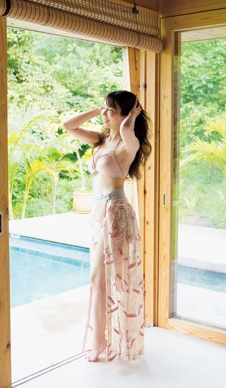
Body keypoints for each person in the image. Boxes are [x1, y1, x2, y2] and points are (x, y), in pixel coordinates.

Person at [63, 90, 152, 362]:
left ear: (126, 115)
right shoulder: (101, 139)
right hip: (99, 212)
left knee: (102, 277)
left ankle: (101, 340)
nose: (104, 114)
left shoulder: (130, 143)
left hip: (116, 212)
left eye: (111, 110)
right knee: (101, 277)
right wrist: (99, 109)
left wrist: (129, 119)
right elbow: (68, 126)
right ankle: (103, 338)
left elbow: (127, 132)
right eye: (105, 109)